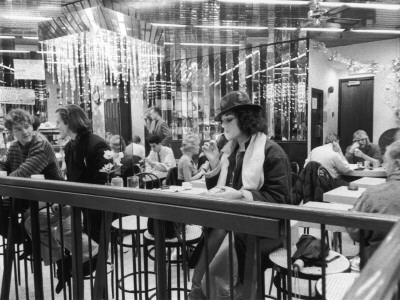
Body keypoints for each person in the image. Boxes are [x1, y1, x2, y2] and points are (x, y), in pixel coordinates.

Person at [188, 91, 291, 300]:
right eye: (222, 121)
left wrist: (242, 195)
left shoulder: (272, 153)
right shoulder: (232, 151)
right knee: (198, 282)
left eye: (229, 119)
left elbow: (281, 201)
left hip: (258, 231)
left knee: (214, 282)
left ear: (245, 119)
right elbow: (221, 190)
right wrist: (216, 164)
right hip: (228, 224)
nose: (223, 126)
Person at [54, 104, 110, 290]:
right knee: (61, 232)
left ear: (70, 122)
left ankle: (72, 269)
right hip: (80, 207)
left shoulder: (96, 144)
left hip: (96, 208)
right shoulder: (70, 146)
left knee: (97, 252)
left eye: (59, 122)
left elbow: (104, 181)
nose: (57, 126)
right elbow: (72, 177)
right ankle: (69, 267)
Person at [347, 140, 400, 261]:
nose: (385, 167)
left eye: (387, 162)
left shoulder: (373, 195)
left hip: (380, 268)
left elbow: (355, 232)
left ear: (397, 164)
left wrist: (352, 213)